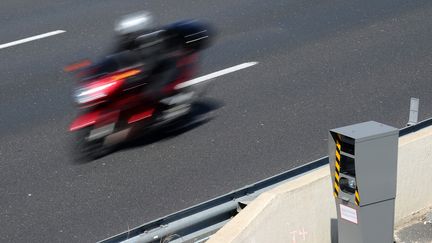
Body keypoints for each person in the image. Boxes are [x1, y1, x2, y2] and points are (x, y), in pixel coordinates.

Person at [112, 11, 213, 103]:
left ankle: (166, 100)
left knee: (154, 88)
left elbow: (149, 67)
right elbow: (113, 56)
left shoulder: (161, 50)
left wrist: (135, 79)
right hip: (143, 69)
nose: (126, 38)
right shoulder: (132, 43)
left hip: (153, 82)